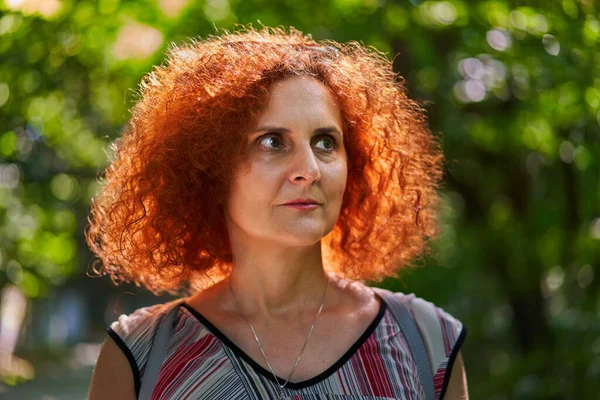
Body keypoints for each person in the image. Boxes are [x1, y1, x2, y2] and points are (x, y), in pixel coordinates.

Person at [86, 26, 468, 399]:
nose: (310, 169)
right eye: (273, 142)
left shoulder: (426, 342)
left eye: (325, 142)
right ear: (209, 170)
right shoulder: (141, 355)